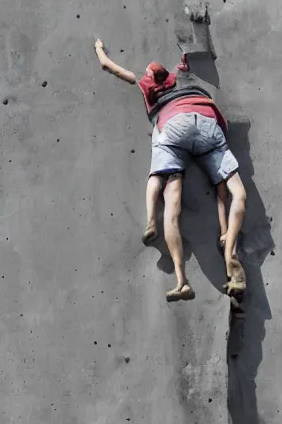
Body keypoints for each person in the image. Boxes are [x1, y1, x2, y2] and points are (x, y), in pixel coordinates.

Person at [94, 39, 247, 302]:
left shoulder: (147, 88)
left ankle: (181, 280)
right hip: (208, 120)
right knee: (237, 193)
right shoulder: (179, 83)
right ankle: (231, 255)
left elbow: (113, 69)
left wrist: (99, 49)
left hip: (172, 124)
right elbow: (220, 191)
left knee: (171, 202)